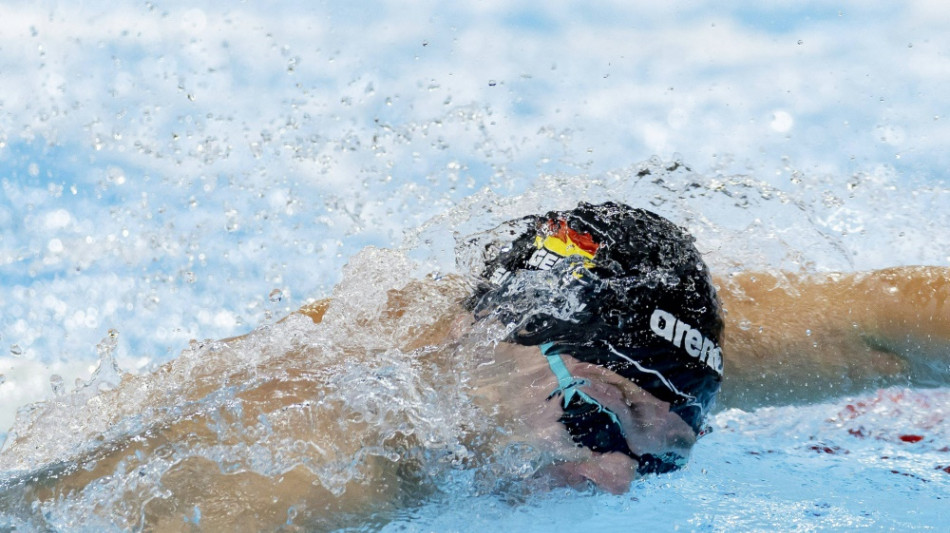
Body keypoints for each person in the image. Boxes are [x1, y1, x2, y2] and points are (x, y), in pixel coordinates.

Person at [0, 202, 947, 530]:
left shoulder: (656, 358)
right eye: (595, 421)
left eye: (664, 454)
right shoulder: (326, 467)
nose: (617, 479)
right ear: (490, 343)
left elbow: (900, 329)